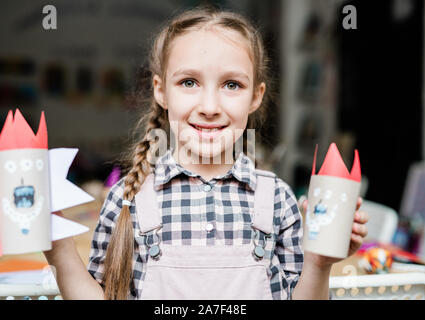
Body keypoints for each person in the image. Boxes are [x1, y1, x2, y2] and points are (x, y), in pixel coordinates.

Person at [44, 6, 368, 300]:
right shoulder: (126, 199)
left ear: (256, 96)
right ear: (161, 90)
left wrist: (318, 263)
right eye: (188, 82)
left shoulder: (278, 200)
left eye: (231, 85)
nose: (210, 107)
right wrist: (58, 247)